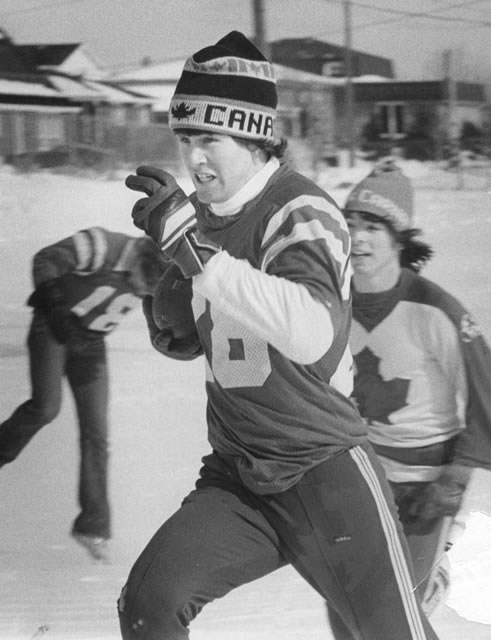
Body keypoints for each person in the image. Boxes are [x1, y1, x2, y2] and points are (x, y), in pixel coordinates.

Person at [118, 31, 440, 640]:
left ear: (253, 134)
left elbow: (315, 331)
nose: (195, 158)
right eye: (185, 138)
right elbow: (215, 321)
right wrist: (176, 319)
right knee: (150, 603)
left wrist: (198, 261)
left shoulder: (299, 210)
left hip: (325, 472)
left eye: (210, 138)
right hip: (240, 475)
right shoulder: (202, 217)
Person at [342, 159, 491, 615]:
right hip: (365, 475)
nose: (359, 237)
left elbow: (486, 399)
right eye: (350, 224)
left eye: (373, 226)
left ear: (399, 237)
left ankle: (434, 568)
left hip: (429, 483)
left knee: (395, 608)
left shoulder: (435, 309)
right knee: (349, 604)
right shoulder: (331, 302)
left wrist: (458, 474)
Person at [0, 226, 167, 562]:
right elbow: (45, 259)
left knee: (97, 432)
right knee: (46, 408)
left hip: (90, 343)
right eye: (141, 283)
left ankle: (92, 525)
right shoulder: (104, 244)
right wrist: (59, 311)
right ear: (139, 258)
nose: (140, 292)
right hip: (53, 326)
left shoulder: (161, 273)